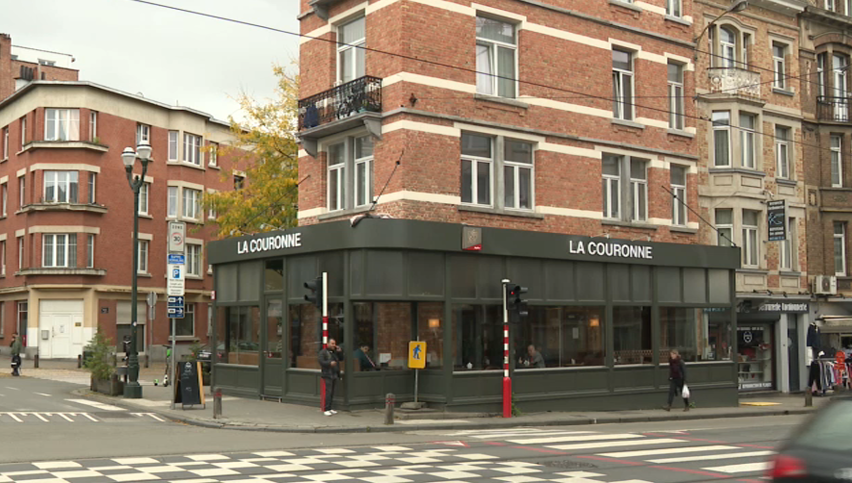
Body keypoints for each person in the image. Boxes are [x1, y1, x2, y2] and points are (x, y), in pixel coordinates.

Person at [318, 338, 343, 416]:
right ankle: (326, 409)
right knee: (328, 392)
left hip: (334, 373)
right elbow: (321, 362)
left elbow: (341, 359)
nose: (334, 345)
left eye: (334, 343)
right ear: (328, 344)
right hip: (327, 374)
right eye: (332, 343)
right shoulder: (323, 352)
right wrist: (329, 363)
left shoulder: (334, 352)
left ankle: (330, 408)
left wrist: (340, 352)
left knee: (332, 392)